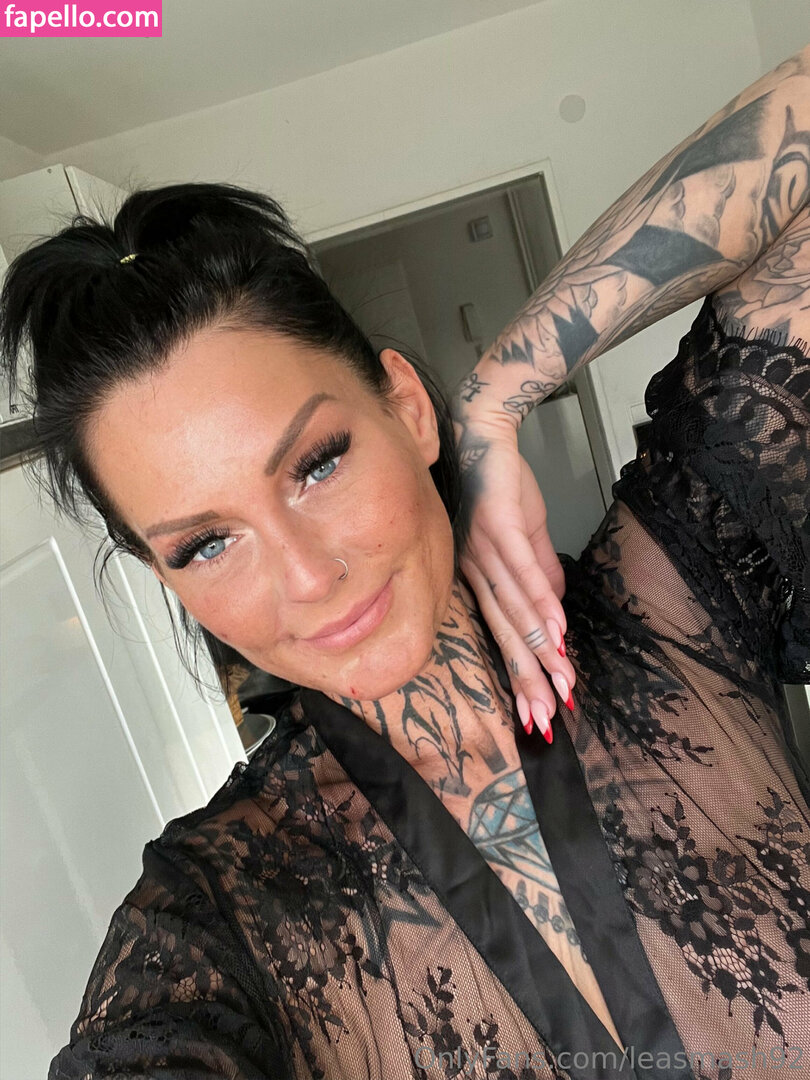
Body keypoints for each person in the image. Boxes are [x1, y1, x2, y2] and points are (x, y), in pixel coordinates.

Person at [1, 45, 807, 1080]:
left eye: (317, 463)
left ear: (410, 410)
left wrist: (502, 393)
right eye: (207, 543)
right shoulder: (215, 916)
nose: (306, 576)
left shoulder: (674, 603)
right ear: (169, 580)